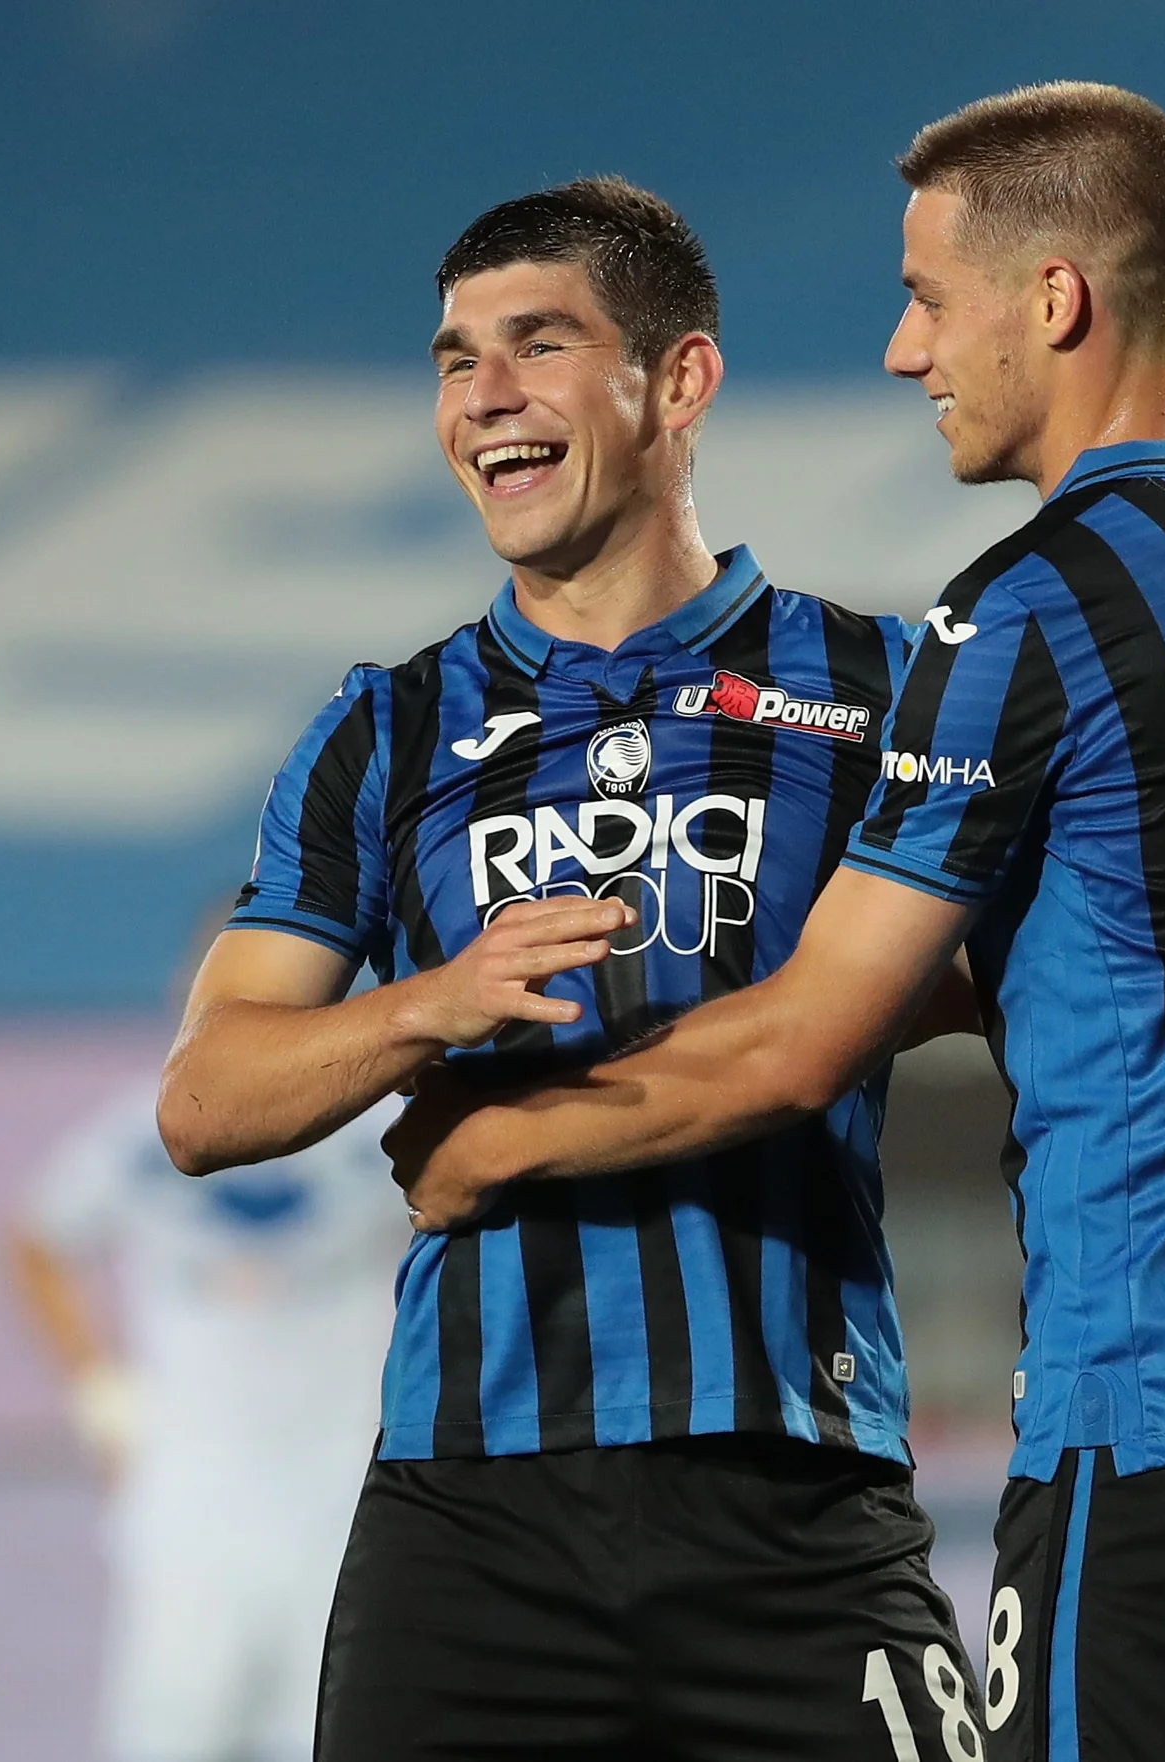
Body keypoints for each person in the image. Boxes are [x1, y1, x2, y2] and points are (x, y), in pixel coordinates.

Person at [385, 83, 1165, 1762]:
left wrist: (496, 1137)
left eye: (928, 298)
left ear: (1053, 301)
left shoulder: (1029, 607)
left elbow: (806, 1038)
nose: (906, 350)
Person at [158, 177, 978, 1761]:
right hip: (472, 1519)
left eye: (538, 344)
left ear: (680, 380)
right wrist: (430, 1004)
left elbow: (1048, 990)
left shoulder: (883, 690)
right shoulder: (384, 730)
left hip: (797, 1485)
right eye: (455, 360)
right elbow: (205, 1100)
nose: (484, 396)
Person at [12, 999, 406, 1762]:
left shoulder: (381, 1130)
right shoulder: (139, 1133)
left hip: (344, 1488)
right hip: (192, 1493)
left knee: (326, 1733)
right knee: (170, 1735)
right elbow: (35, 1240)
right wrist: (100, 1393)